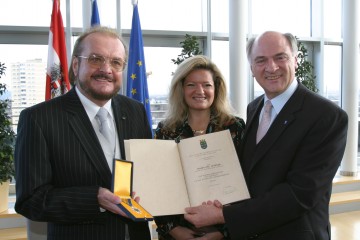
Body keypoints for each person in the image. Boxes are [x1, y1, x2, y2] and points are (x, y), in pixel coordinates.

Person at [184, 31, 348, 239]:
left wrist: (223, 214)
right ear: (252, 69)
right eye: (261, 60)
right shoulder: (254, 109)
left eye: (280, 57)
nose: (271, 67)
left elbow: (300, 195)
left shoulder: (326, 116)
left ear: (295, 61)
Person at [14, 26, 152, 240]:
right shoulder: (39, 119)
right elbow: (31, 201)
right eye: (96, 59)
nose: (106, 69)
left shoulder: (135, 111)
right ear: (76, 65)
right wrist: (94, 198)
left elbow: (146, 173)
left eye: (116, 62)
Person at [154, 55, 246, 240]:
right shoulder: (166, 130)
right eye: (191, 85)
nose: (200, 91)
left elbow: (249, 182)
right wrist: (174, 230)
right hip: (178, 232)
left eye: (206, 85)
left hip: (226, 232)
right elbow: (157, 185)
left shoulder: (234, 127)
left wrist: (222, 232)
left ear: (216, 88)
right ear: (181, 89)